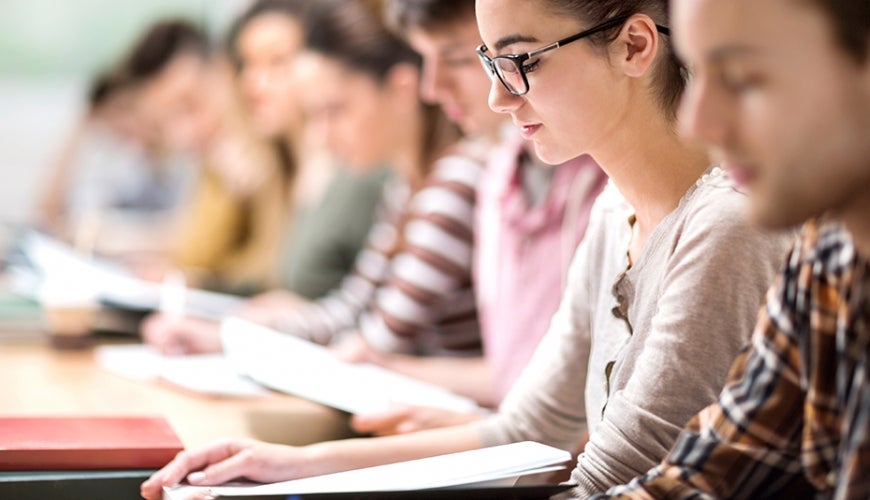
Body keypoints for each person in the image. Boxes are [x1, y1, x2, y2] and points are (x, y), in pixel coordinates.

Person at [139, 0, 793, 498]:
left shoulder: (723, 226)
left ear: (634, 46)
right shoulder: (615, 209)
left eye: (522, 60)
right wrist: (291, 465)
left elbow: (608, 477)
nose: (496, 96)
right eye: (487, 61)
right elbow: (525, 431)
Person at [596, 0, 870, 497]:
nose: (695, 124)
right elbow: (713, 473)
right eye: (697, 72)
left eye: (743, 78)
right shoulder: (829, 254)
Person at [143, 0, 481, 362]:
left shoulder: (452, 182)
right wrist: (227, 334)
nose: (320, 135)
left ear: (400, 90)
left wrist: (240, 335)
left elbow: (377, 339)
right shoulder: (405, 188)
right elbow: (348, 310)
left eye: (334, 110)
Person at [347, 0, 607, 435]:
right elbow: (517, 369)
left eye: (457, 59)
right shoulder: (495, 175)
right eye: (486, 61)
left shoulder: (602, 185)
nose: (432, 89)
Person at [225, 0, 390, 301]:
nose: (253, 83)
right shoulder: (281, 167)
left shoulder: (359, 171)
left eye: (276, 62)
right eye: (247, 64)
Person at [125, 19, 288, 294]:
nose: (183, 134)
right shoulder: (219, 161)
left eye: (189, 106)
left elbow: (278, 273)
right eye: (166, 122)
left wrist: (198, 279)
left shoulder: (273, 146)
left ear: (226, 74)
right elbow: (193, 256)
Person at [37, 69, 191, 257]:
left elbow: (190, 232)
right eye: (110, 120)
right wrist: (79, 130)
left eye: (125, 109)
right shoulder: (126, 162)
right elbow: (48, 215)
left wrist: (118, 239)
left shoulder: (185, 148)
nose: (121, 124)